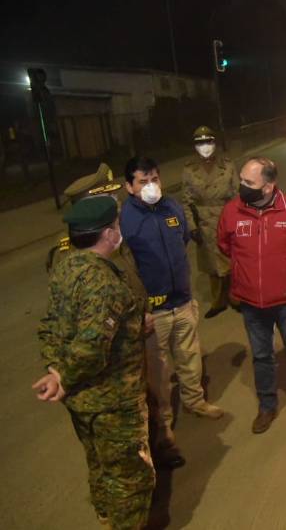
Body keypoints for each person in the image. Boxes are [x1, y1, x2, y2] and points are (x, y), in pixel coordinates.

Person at [46, 164, 185, 469]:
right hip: (112, 351)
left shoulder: (111, 230)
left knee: (155, 387)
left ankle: (162, 441)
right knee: (128, 416)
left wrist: (144, 309)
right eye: (110, 197)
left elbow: (131, 274)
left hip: (137, 330)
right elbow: (84, 317)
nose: (118, 201)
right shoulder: (75, 249)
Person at [34, 196, 155, 529]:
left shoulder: (66, 267)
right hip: (113, 402)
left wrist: (56, 371)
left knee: (100, 465)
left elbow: (50, 327)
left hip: (82, 402)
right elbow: (90, 348)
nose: (119, 230)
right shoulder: (102, 282)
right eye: (116, 225)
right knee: (130, 480)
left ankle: (105, 517)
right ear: (107, 233)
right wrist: (63, 375)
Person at [217, 157, 286, 434]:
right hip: (250, 303)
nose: (242, 186)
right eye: (241, 179)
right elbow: (225, 246)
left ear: (268, 186)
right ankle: (267, 406)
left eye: (249, 182)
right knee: (261, 356)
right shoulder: (231, 212)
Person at [120, 156, 224, 421]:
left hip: (183, 299)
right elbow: (125, 268)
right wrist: (141, 309)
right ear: (129, 187)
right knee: (158, 369)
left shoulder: (172, 207)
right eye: (143, 182)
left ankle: (194, 400)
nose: (151, 186)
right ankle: (163, 420)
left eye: (154, 179)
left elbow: (183, 240)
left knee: (190, 356)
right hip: (155, 310)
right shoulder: (125, 220)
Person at [181, 125, 240, 319]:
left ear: (214, 143)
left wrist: (238, 221)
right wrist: (192, 227)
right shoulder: (189, 170)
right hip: (205, 223)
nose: (205, 146)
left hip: (226, 218)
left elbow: (237, 195)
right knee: (212, 266)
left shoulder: (228, 165)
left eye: (208, 142)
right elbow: (186, 202)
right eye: (200, 143)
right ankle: (218, 301)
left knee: (232, 261)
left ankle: (236, 297)